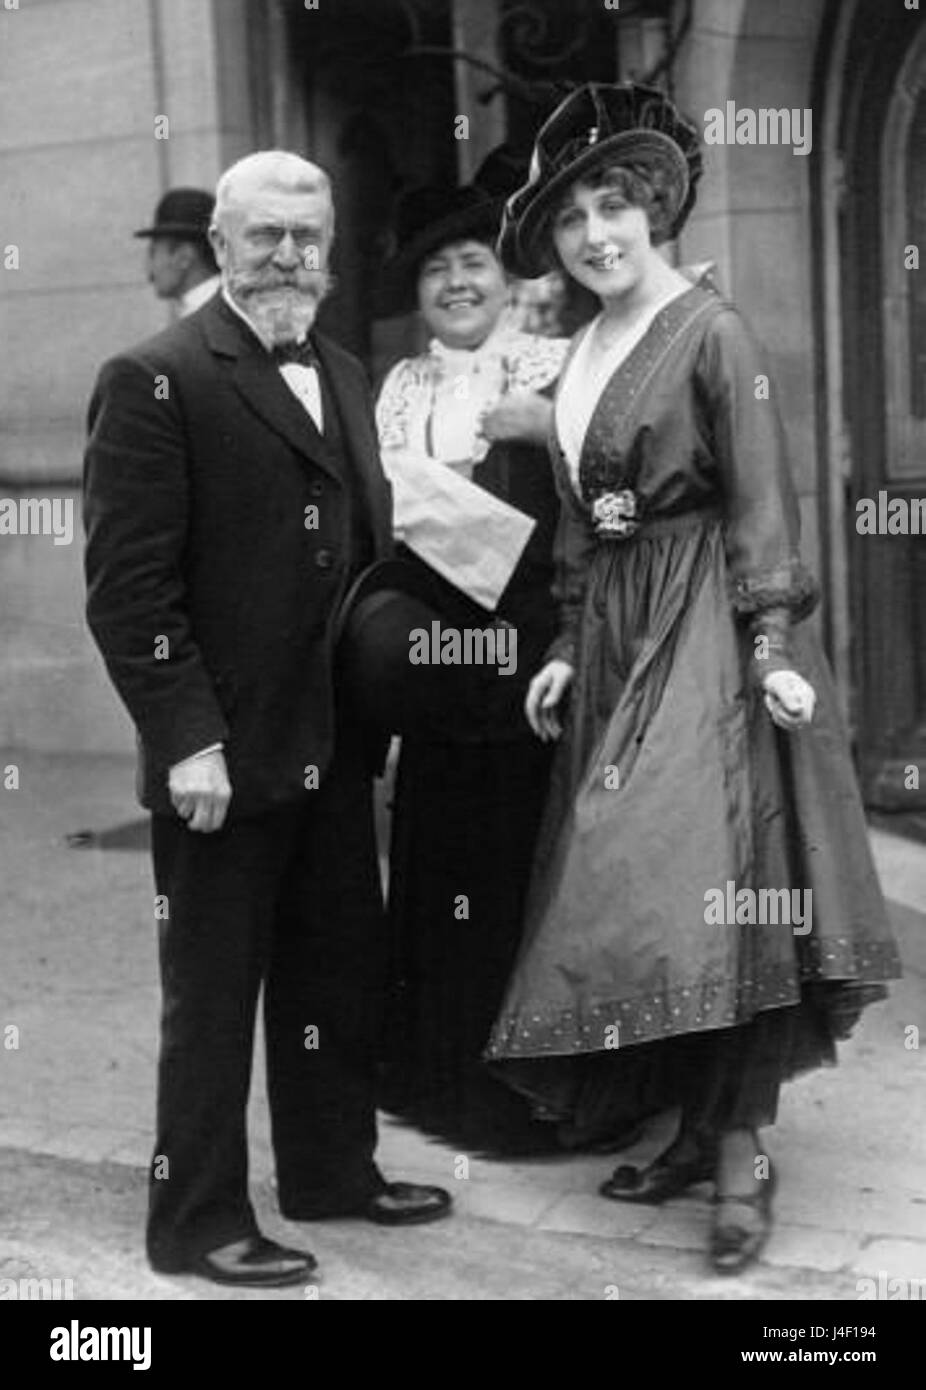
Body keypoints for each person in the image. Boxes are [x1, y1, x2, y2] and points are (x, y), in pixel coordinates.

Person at [484, 84, 902, 1272]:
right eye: (569, 222)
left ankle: (740, 1157)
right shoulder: (579, 348)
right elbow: (575, 521)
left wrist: (770, 641)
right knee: (642, 896)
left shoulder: (712, 332)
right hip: (616, 631)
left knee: (700, 875)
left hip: (706, 626)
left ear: (653, 208)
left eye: (612, 206)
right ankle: (689, 1128)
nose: (594, 235)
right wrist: (567, 642)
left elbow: (763, 496)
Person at [84, 150, 451, 1290]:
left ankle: (330, 1171)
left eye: (309, 236)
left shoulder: (342, 367)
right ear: (224, 246)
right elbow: (128, 591)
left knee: (331, 971)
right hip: (221, 755)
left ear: (331, 247)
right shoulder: (154, 376)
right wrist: (184, 737)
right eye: (265, 237)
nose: (289, 255)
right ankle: (193, 1221)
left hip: (328, 742)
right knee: (212, 998)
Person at [371, 175, 571, 1150]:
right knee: (436, 842)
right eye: (435, 270)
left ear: (505, 278)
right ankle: (428, 1069)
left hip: (529, 654)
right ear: (416, 293)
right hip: (438, 655)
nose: (455, 283)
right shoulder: (397, 388)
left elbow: (598, 494)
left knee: (514, 859)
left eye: (472, 264)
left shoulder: (551, 368)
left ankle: (518, 1089)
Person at [134, 188, 221, 316]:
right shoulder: (224, 308)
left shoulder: (207, 318)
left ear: (183, 257)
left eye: (153, 253)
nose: (149, 270)